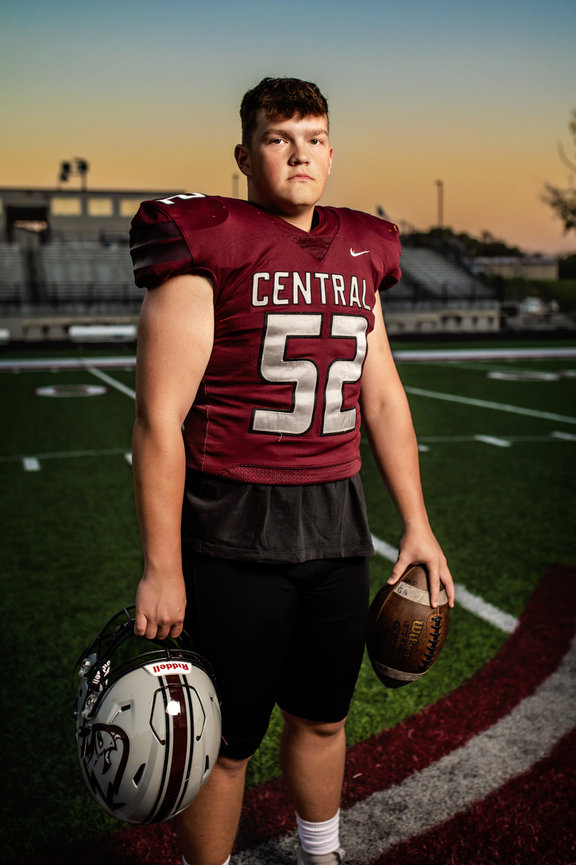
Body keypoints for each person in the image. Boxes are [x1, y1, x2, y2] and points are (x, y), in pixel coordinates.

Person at [129, 76, 454, 865]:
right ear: (245, 154)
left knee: (323, 716)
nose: (299, 153)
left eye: (313, 138)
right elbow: (156, 421)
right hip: (235, 529)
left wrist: (417, 523)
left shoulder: (362, 248)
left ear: (333, 153)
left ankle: (321, 851)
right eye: (279, 138)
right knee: (228, 739)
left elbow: (382, 398)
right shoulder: (206, 240)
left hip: (338, 525)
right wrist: (162, 568)